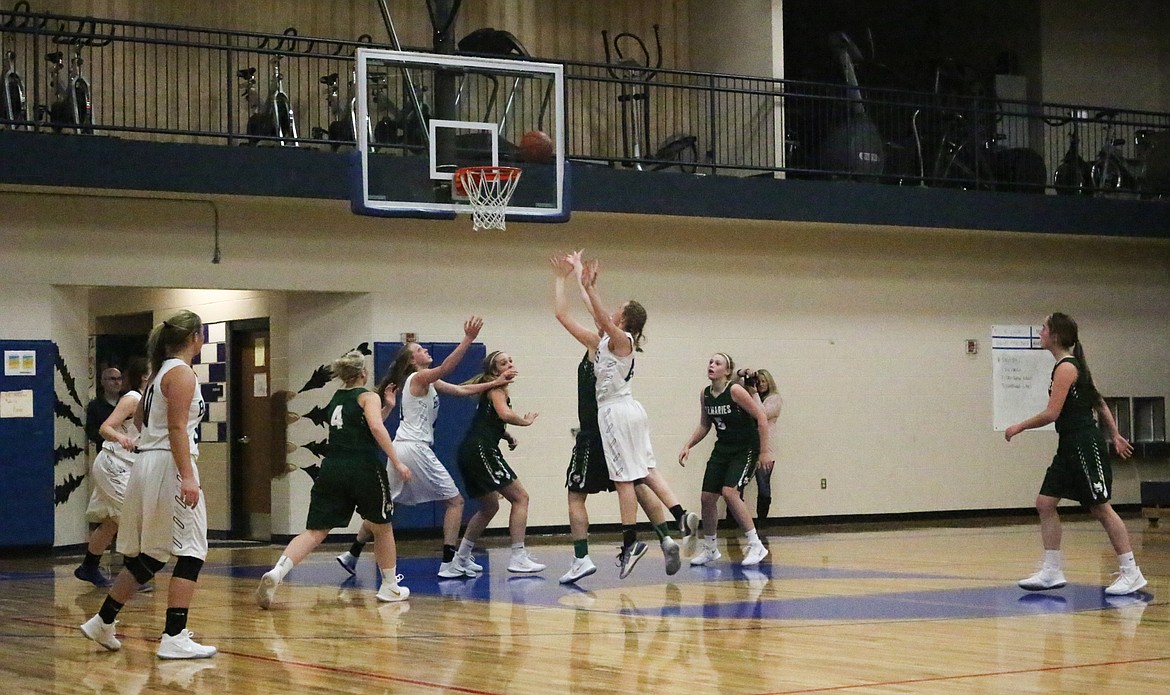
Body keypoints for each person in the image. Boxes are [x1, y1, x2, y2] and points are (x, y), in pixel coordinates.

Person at [551, 252, 697, 584]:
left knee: (624, 480)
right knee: (644, 471)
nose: (612, 309)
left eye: (620, 307)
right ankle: (680, 516)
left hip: (616, 412)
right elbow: (579, 313)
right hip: (628, 410)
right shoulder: (604, 341)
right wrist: (577, 277)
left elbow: (602, 317)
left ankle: (630, 541)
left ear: (626, 320)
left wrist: (588, 287)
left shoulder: (621, 340)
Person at [80, 310, 217, 659]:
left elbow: (140, 420)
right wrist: (187, 475)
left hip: (148, 462)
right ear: (195, 338)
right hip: (169, 464)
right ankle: (174, 635)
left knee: (153, 553)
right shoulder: (182, 374)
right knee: (191, 551)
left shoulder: (157, 376)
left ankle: (103, 619)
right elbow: (176, 430)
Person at [342, 317, 516, 579]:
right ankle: (449, 562)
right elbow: (447, 367)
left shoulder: (428, 382)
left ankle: (352, 553)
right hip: (414, 448)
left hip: (401, 447)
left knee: (389, 506)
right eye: (420, 351)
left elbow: (460, 390)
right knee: (455, 502)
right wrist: (468, 339)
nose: (425, 351)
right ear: (413, 361)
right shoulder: (420, 377)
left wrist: (494, 383)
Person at [256, 351, 413, 608]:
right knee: (382, 526)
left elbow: (361, 425)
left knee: (315, 531)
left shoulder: (336, 399)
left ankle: (277, 572)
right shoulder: (368, 396)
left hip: (332, 467)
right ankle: (389, 587)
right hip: (362, 467)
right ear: (363, 373)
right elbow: (374, 428)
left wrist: (388, 407)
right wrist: (397, 461)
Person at [1005, 312, 1147, 596]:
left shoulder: (1066, 368)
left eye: (1044, 327)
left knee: (1101, 508)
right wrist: (1116, 434)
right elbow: (1099, 400)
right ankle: (1052, 570)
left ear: (1055, 335)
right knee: (1045, 502)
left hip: (1084, 444)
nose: (1040, 331)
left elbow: (1051, 413)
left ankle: (1132, 573)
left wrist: (1019, 426)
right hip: (1068, 445)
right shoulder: (1067, 366)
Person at [450, 350, 544, 574]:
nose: (510, 364)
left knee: (489, 506)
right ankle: (518, 556)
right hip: (481, 451)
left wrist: (506, 435)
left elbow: (488, 420)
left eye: (511, 360)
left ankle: (461, 557)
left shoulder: (490, 390)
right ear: (495, 371)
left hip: (470, 451)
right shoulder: (496, 389)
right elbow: (504, 414)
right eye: (504, 363)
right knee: (521, 498)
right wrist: (524, 421)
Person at [678, 354, 774, 567]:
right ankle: (710, 548)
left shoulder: (735, 391)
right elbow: (705, 425)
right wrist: (688, 445)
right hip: (723, 448)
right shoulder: (705, 394)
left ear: (727, 371)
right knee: (706, 497)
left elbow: (761, 417)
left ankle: (755, 543)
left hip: (745, 448)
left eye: (717, 363)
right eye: (710, 362)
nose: (712, 365)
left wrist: (764, 451)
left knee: (730, 492)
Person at [74, 357, 151, 588]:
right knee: (130, 517)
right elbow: (105, 427)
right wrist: (120, 437)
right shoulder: (132, 399)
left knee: (111, 522)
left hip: (128, 465)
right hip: (113, 463)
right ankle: (134, 572)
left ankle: (88, 567)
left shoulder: (150, 400)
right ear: (144, 377)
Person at [748, 368, 782, 522]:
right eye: (758, 381)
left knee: (763, 485)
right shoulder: (751, 398)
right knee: (737, 485)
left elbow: (761, 414)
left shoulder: (774, 399)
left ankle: (762, 520)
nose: (761, 385)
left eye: (763, 382)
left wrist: (754, 393)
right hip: (750, 445)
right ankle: (733, 520)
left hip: (767, 448)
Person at [85, 367, 123, 450]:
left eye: (119, 379)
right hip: (105, 451)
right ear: (103, 382)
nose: (117, 382)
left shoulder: (128, 402)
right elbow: (91, 432)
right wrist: (111, 436)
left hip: (126, 451)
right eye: (112, 379)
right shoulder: (94, 406)